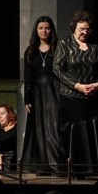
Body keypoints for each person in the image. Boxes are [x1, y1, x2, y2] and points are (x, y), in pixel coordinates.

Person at [53, 10, 98, 175]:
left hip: (94, 96)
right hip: (71, 96)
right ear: (74, 27)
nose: (84, 32)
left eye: (87, 29)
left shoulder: (97, 45)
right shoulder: (65, 44)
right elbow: (57, 68)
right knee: (75, 134)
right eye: (81, 29)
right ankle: (75, 169)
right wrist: (77, 86)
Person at [21, 15, 62, 174]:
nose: (44, 31)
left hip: (54, 89)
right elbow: (27, 77)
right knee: (38, 128)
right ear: (36, 30)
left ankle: (57, 164)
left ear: (51, 30)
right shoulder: (30, 51)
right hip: (36, 93)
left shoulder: (57, 49)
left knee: (54, 125)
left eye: (47, 28)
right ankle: (42, 165)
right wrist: (27, 98)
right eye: (41, 28)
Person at [0, 103, 17, 171]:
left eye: (2, 114)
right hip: (3, 164)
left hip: (14, 163)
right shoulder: (0, 131)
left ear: (9, 114)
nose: (0, 117)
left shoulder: (17, 128)